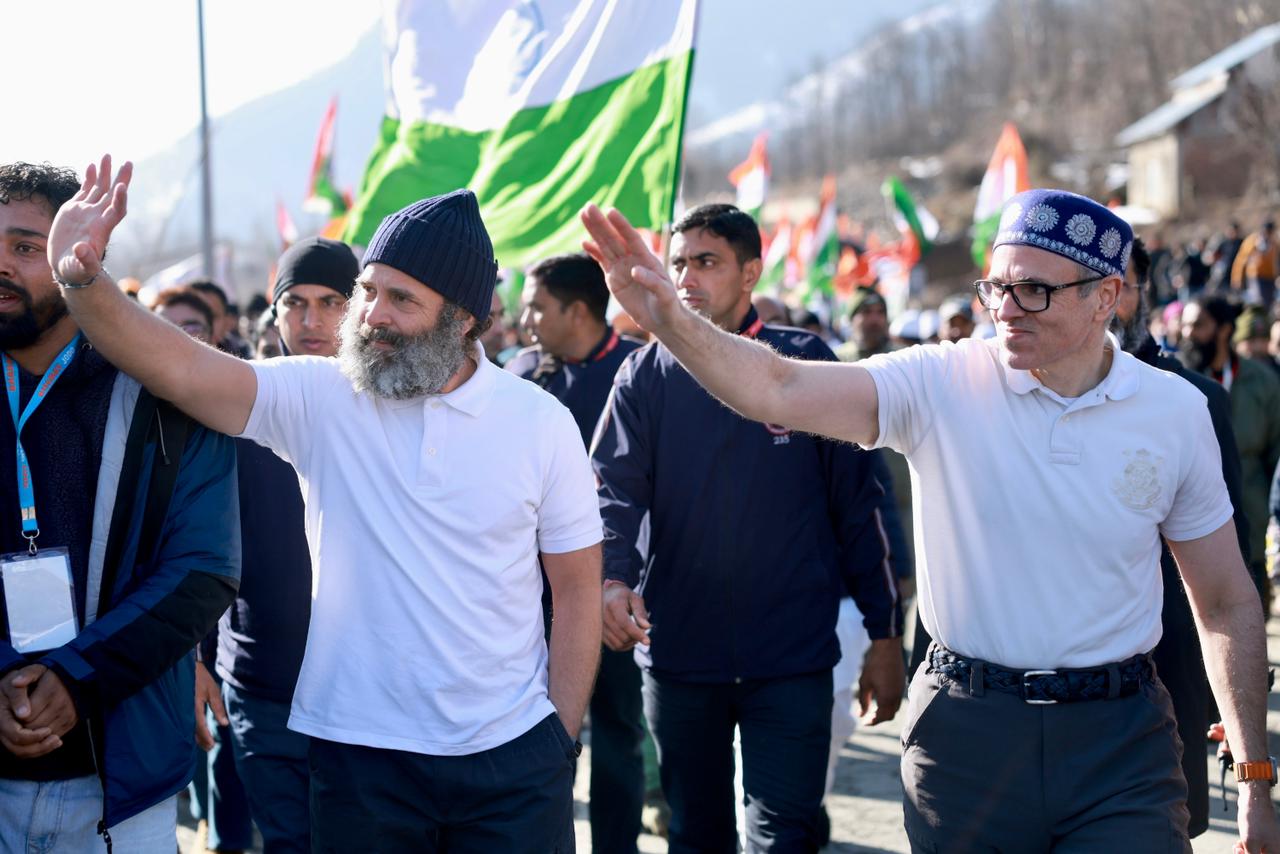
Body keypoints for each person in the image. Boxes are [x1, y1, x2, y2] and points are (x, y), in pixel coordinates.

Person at [581, 188, 1280, 851]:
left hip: (1119, 740)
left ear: (1107, 297)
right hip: (967, 738)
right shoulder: (942, 381)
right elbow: (778, 385)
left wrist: (1254, 776)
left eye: (1035, 290)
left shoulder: (1173, 410)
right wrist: (670, 318)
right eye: (997, 287)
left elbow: (1223, 600)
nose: (1008, 309)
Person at [47, 155, 602, 852]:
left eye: (402, 299)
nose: (371, 314)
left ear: (462, 321)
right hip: (356, 759)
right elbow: (181, 368)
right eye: (368, 289)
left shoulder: (540, 421)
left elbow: (578, 591)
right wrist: (81, 278)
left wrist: (559, 738)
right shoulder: (324, 396)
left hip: (512, 762)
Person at [591, 203, 903, 853]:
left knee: (783, 836)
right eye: (678, 262)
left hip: (793, 655)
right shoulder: (644, 375)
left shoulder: (805, 362)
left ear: (751, 271)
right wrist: (612, 579)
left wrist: (884, 634)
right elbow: (612, 493)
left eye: (707, 261)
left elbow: (860, 509)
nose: (687, 278)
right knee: (695, 835)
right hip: (680, 657)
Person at [0, 162, 240, 850]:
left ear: (85, 253)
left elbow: (203, 569)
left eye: (25, 247)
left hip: (123, 781)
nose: (3, 266)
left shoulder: (168, 386)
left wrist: (77, 678)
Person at [212, 236, 358, 854]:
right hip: (263, 686)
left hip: (364, 691)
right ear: (274, 315)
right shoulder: (228, 404)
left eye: (331, 302)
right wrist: (198, 658)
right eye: (295, 302)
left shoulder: (395, 408)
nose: (312, 320)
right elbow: (197, 543)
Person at [1112, 237, 1251, 837]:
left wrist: (1238, 697)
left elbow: (1233, 563)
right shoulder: (1010, 402)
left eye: (1120, 284)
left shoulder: (1196, 400)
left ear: (1143, 292)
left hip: (1171, 660)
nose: (1103, 301)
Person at [507, 252, 644, 854]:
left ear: (578, 310)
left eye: (537, 306)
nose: (525, 319)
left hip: (608, 596)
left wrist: (619, 583)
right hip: (527, 602)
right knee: (534, 737)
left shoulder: (636, 374)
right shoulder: (521, 377)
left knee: (617, 737)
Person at [1179, 294, 1280, 603]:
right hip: (1189, 533)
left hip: (1250, 526)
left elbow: (1275, 453)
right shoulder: (1174, 382)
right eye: (1184, 325)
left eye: (1197, 325)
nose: (1187, 334)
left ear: (1223, 330)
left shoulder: (1261, 381)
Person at [189, 280, 251, 358]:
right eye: (195, 318)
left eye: (212, 316)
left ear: (226, 321)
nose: (205, 323)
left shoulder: (244, 359)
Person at [835, 287, 892, 361]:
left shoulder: (898, 357)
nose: (874, 319)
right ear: (852, 319)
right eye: (867, 311)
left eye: (880, 312)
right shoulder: (838, 358)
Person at [1231, 220, 1279, 306]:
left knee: (1269, 302)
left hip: (1270, 277)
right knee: (1259, 300)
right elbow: (1241, 261)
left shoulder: (1274, 243)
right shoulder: (1253, 241)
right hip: (1256, 276)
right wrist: (1237, 278)